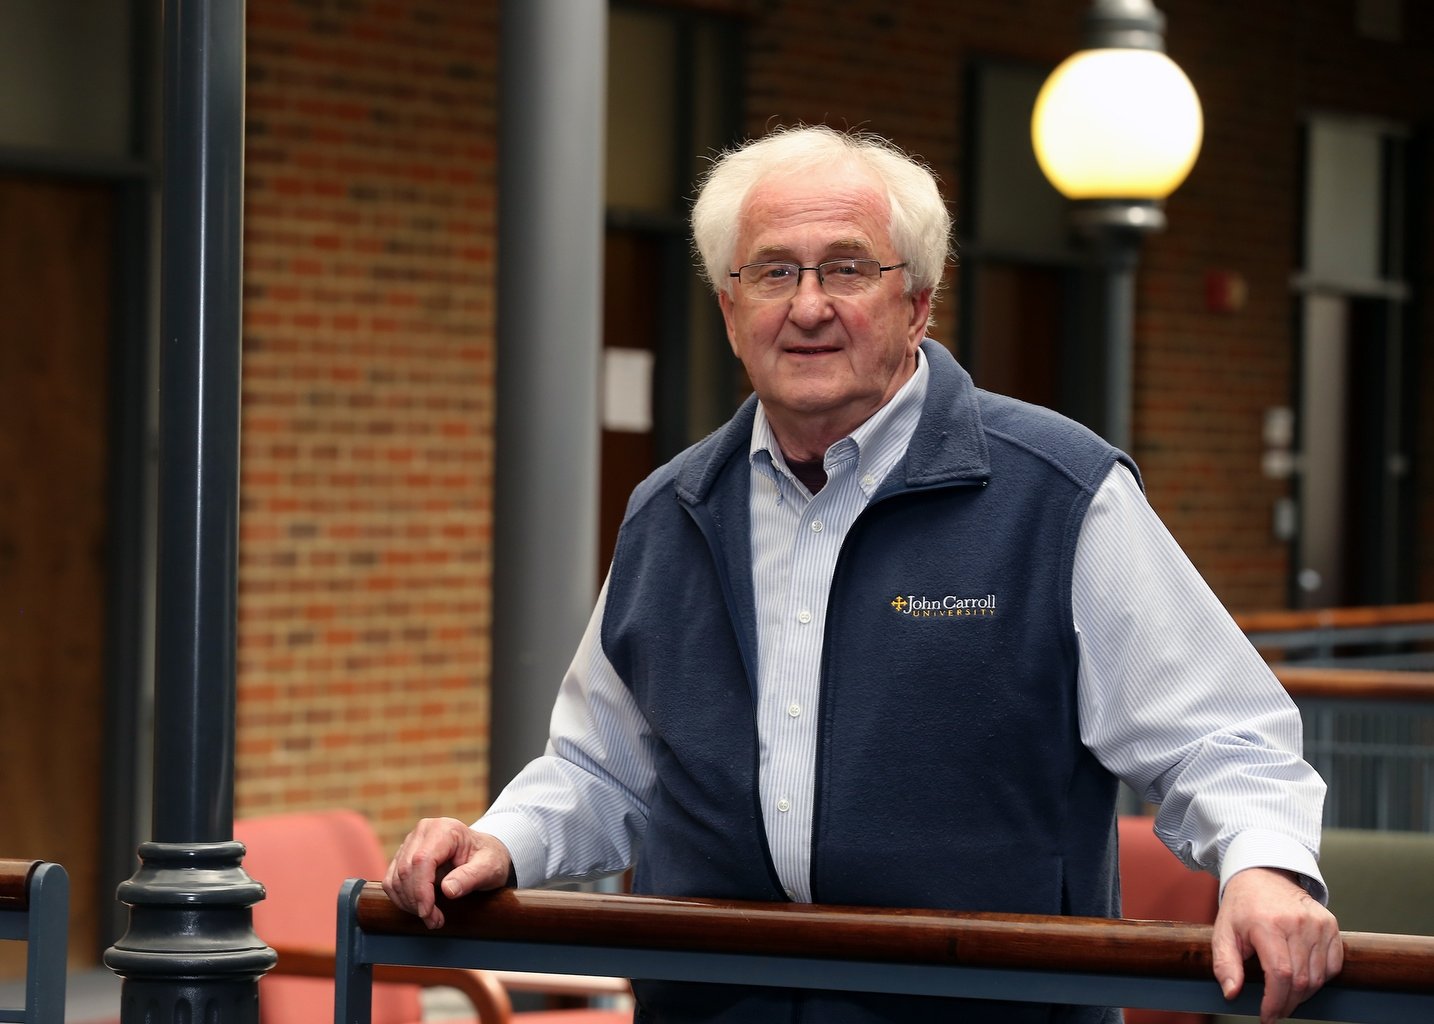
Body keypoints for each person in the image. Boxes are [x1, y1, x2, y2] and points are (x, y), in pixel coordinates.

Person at [385, 125, 1341, 1024]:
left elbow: (1220, 734)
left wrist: (1264, 869)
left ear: (918, 301)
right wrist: (500, 841)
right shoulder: (671, 512)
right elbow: (602, 767)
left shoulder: (1056, 494)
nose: (807, 306)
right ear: (728, 309)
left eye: (846, 268)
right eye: (772, 273)